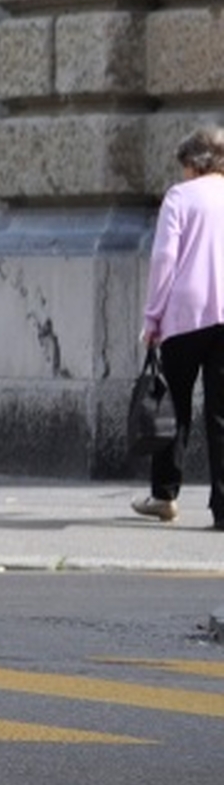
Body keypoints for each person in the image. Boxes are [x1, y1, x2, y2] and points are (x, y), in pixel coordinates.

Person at [137, 124, 224, 524]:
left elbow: (163, 261)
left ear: (194, 163)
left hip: (185, 316)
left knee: (174, 408)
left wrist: (152, 317)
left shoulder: (180, 197)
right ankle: (222, 507)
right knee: (221, 414)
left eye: (184, 165)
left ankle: (165, 495)